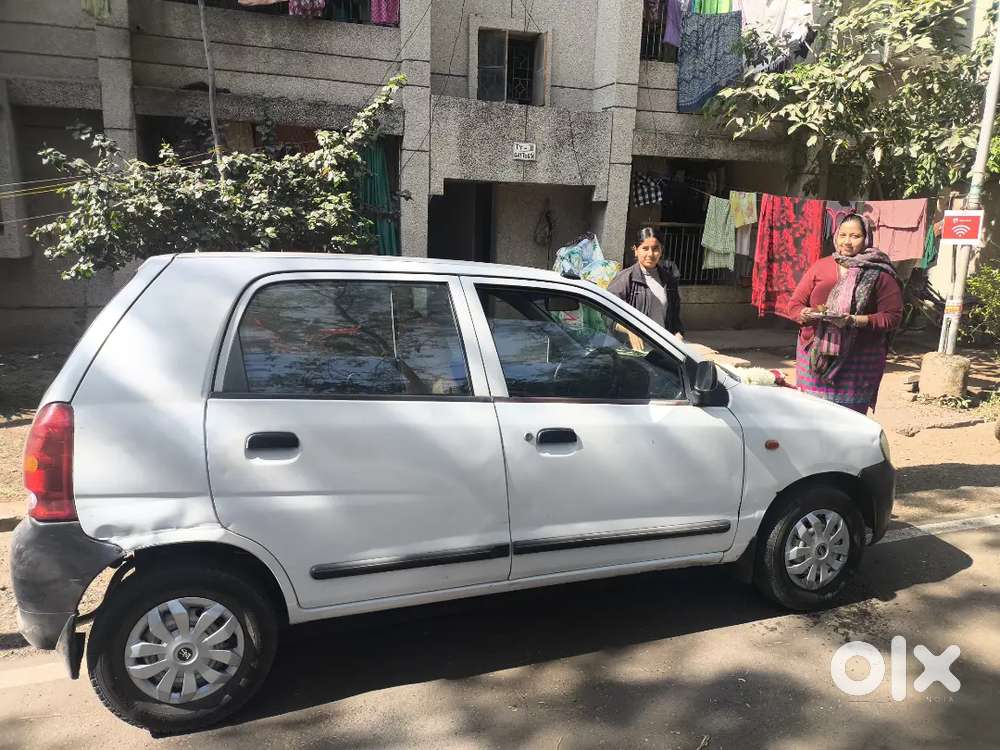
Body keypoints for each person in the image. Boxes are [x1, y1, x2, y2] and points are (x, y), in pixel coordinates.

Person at [787, 213, 903, 413]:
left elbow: (892, 317)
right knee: (811, 412)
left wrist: (854, 320)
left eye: (855, 236)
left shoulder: (880, 273)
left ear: (866, 238)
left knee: (848, 418)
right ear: (836, 236)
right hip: (814, 356)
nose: (847, 242)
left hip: (859, 358)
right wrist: (805, 314)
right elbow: (794, 305)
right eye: (843, 235)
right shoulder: (820, 267)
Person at [607, 227, 685, 339]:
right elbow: (608, 314)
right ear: (636, 250)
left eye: (655, 248)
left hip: (662, 349)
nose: (650, 254)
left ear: (661, 250)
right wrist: (628, 330)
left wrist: (678, 335)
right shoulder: (624, 279)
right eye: (645, 248)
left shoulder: (669, 281)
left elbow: (675, 320)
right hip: (632, 350)